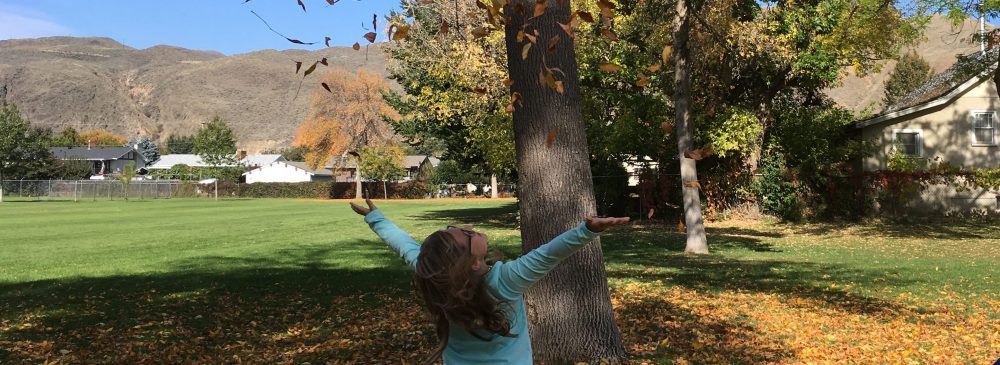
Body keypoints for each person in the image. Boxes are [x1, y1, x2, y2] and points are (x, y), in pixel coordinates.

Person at [349, 199, 630, 364]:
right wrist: (587, 230)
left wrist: (376, 218)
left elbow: (403, 245)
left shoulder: (435, 275)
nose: (469, 227)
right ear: (472, 262)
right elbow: (547, 255)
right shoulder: (504, 282)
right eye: (466, 234)